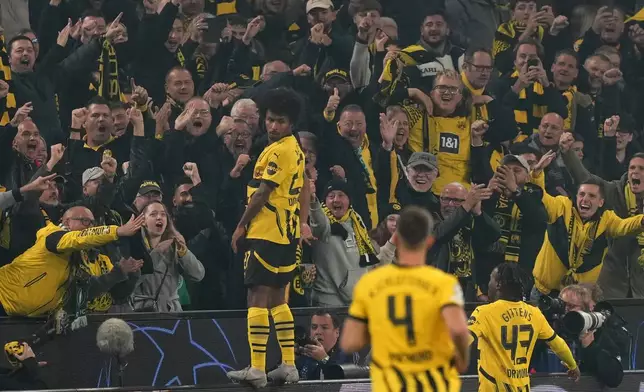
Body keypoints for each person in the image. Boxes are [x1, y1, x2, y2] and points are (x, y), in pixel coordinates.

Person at [227, 88, 310, 387]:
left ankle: (257, 368)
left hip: (266, 232)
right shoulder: (295, 148)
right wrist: (302, 223)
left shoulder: (279, 150)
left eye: (281, 121)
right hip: (286, 235)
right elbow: (305, 188)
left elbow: (263, 192)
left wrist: (241, 226)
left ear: (291, 123)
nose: (273, 126)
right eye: (271, 120)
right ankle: (288, 365)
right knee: (277, 299)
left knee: (257, 298)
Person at [340, 206, 470, 391]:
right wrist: (461, 360)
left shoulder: (372, 282)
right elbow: (458, 331)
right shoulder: (444, 283)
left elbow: (351, 341)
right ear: (429, 240)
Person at [0, 206, 144, 317]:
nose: (90, 227)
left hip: (23, 315)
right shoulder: (51, 235)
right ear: (67, 221)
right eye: (85, 221)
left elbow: (90, 291)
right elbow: (77, 238)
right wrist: (117, 231)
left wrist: (120, 273)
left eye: (92, 223)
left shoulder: (82, 258)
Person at [468, 263, 580, 391]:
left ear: (498, 284)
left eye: (491, 280)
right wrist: (573, 365)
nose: (488, 285)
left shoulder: (484, 313)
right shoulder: (534, 313)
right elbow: (558, 343)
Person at [295, 310, 357, 380]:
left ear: (337, 332)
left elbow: (341, 379)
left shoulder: (347, 353)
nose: (318, 332)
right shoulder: (306, 353)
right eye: (314, 327)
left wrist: (324, 359)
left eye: (324, 328)